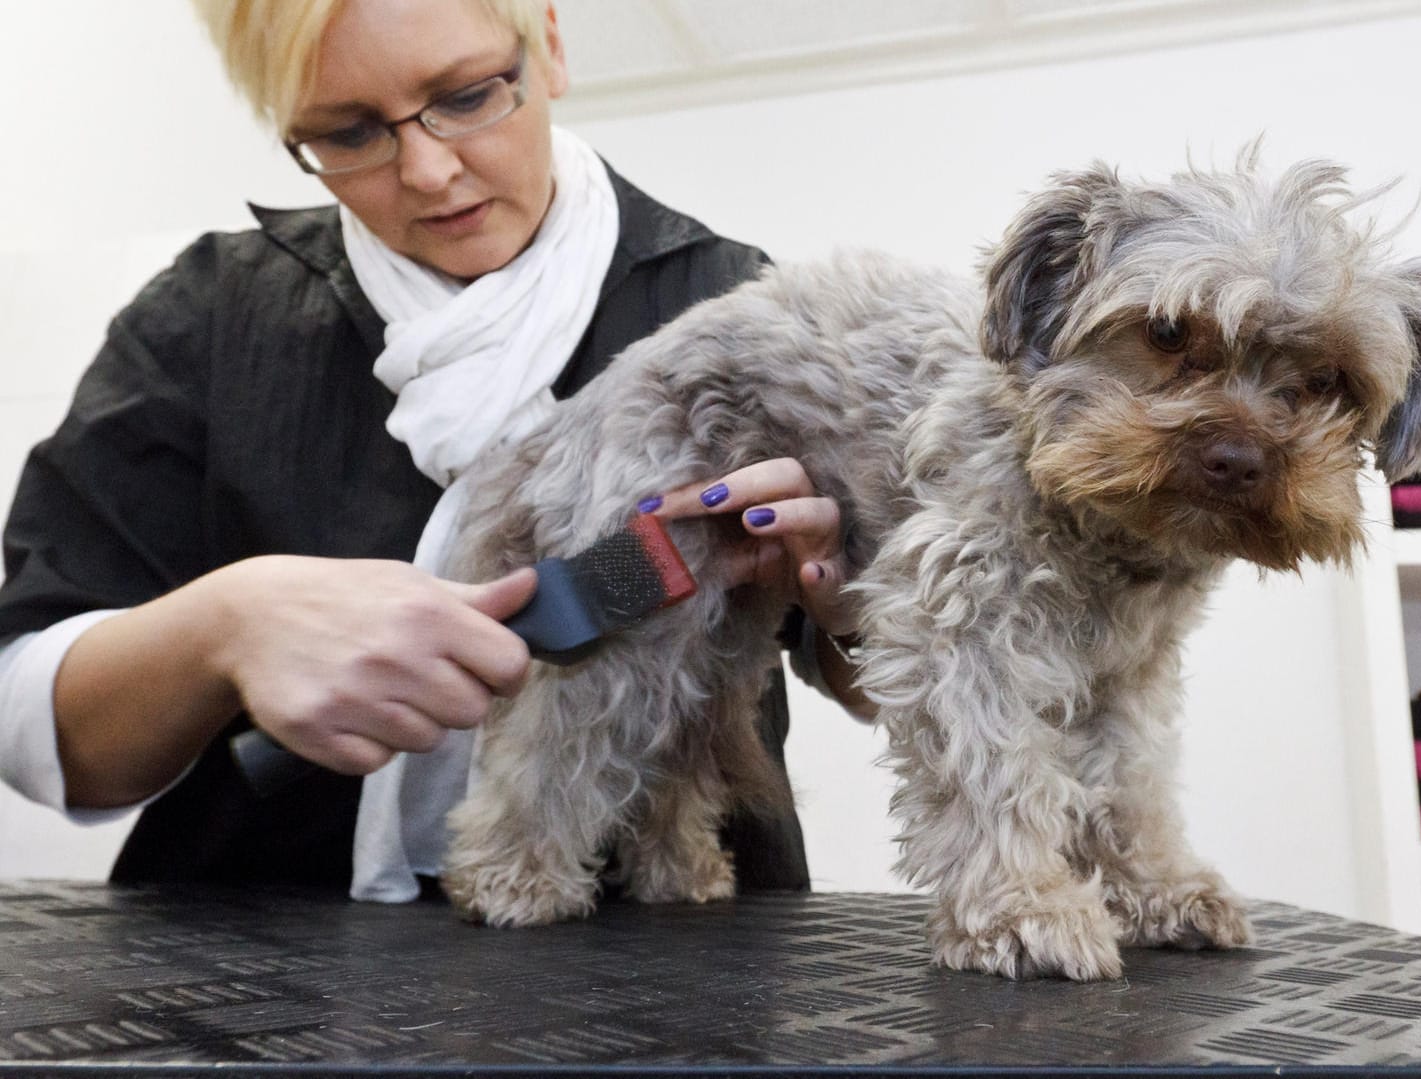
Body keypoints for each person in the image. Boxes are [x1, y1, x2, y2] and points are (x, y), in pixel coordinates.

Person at [0, 0, 866, 895]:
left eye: (464, 96)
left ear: (551, 49)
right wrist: (222, 628)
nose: (427, 169)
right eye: (348, 133)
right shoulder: (210, 323)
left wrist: (847, 602)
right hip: (261, 955)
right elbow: (39, 731)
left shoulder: (739, 307)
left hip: (688, 947)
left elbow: (879, 675)